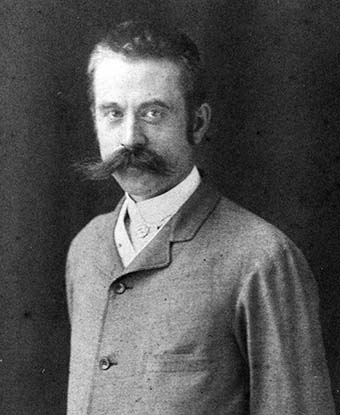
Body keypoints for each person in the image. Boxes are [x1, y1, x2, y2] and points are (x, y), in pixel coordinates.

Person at [66, 20, 335, 415]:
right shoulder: (86, 248)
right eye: (112, 113)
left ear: (198, 122)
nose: (129, 138)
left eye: (153, 113)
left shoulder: (262, 259)